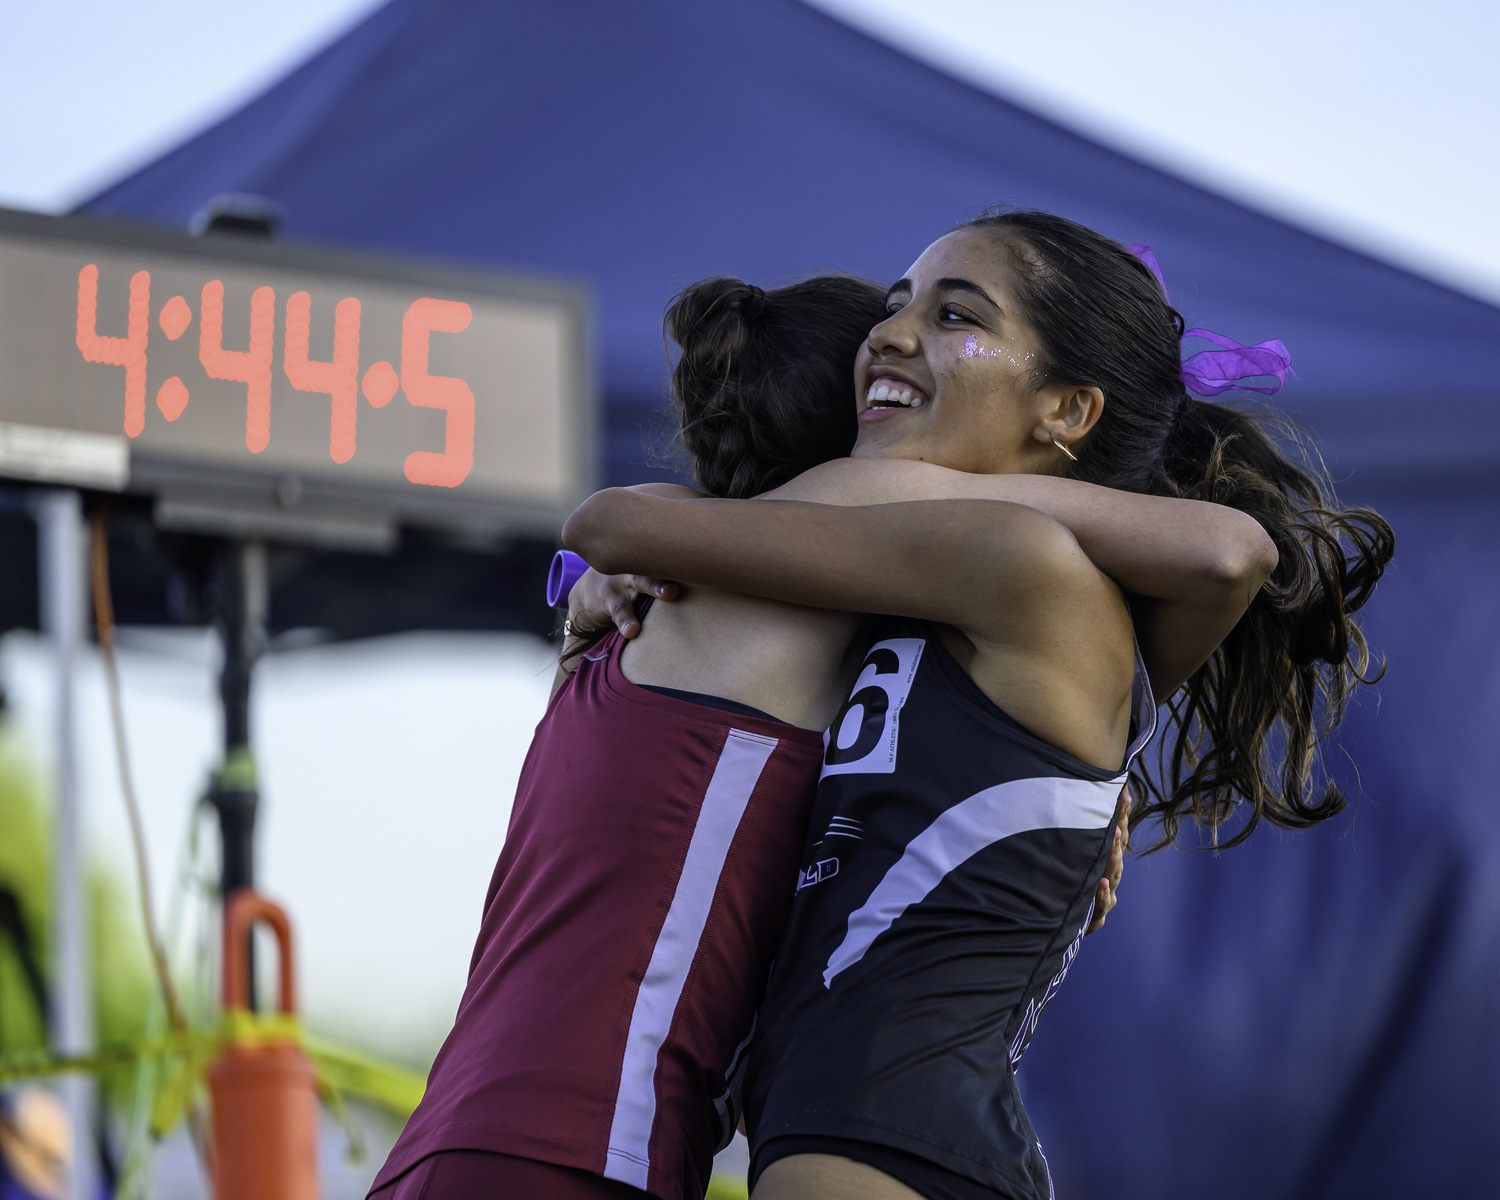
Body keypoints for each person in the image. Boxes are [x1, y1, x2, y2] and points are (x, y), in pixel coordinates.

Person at [561, 210, 1394, 1200]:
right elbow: (621, 549)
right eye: (894, 302)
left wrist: (920, 486)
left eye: (955, 313)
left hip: (885, 1144)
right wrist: (595, 591)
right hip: (888, 1138)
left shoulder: (1027, 572)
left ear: (1067, 413)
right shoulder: (931, 598)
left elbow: (1229, 553)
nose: (893, 331)